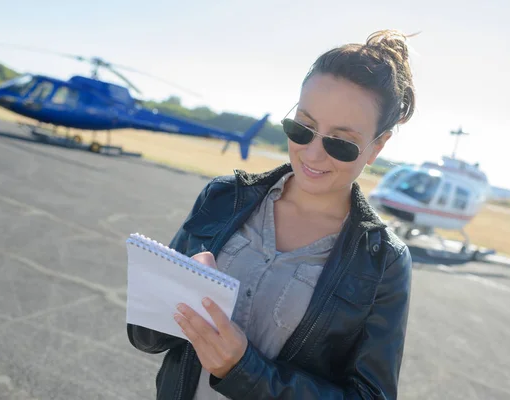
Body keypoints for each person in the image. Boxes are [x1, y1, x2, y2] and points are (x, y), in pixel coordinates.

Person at [127, 29, 415, 400]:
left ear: (378, 146)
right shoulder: (222, 198)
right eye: (303, 128)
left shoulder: (383, 262)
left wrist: (244, 370)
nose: (312, 155)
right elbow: (147, 338)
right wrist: (169, 296)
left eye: (341, 143)